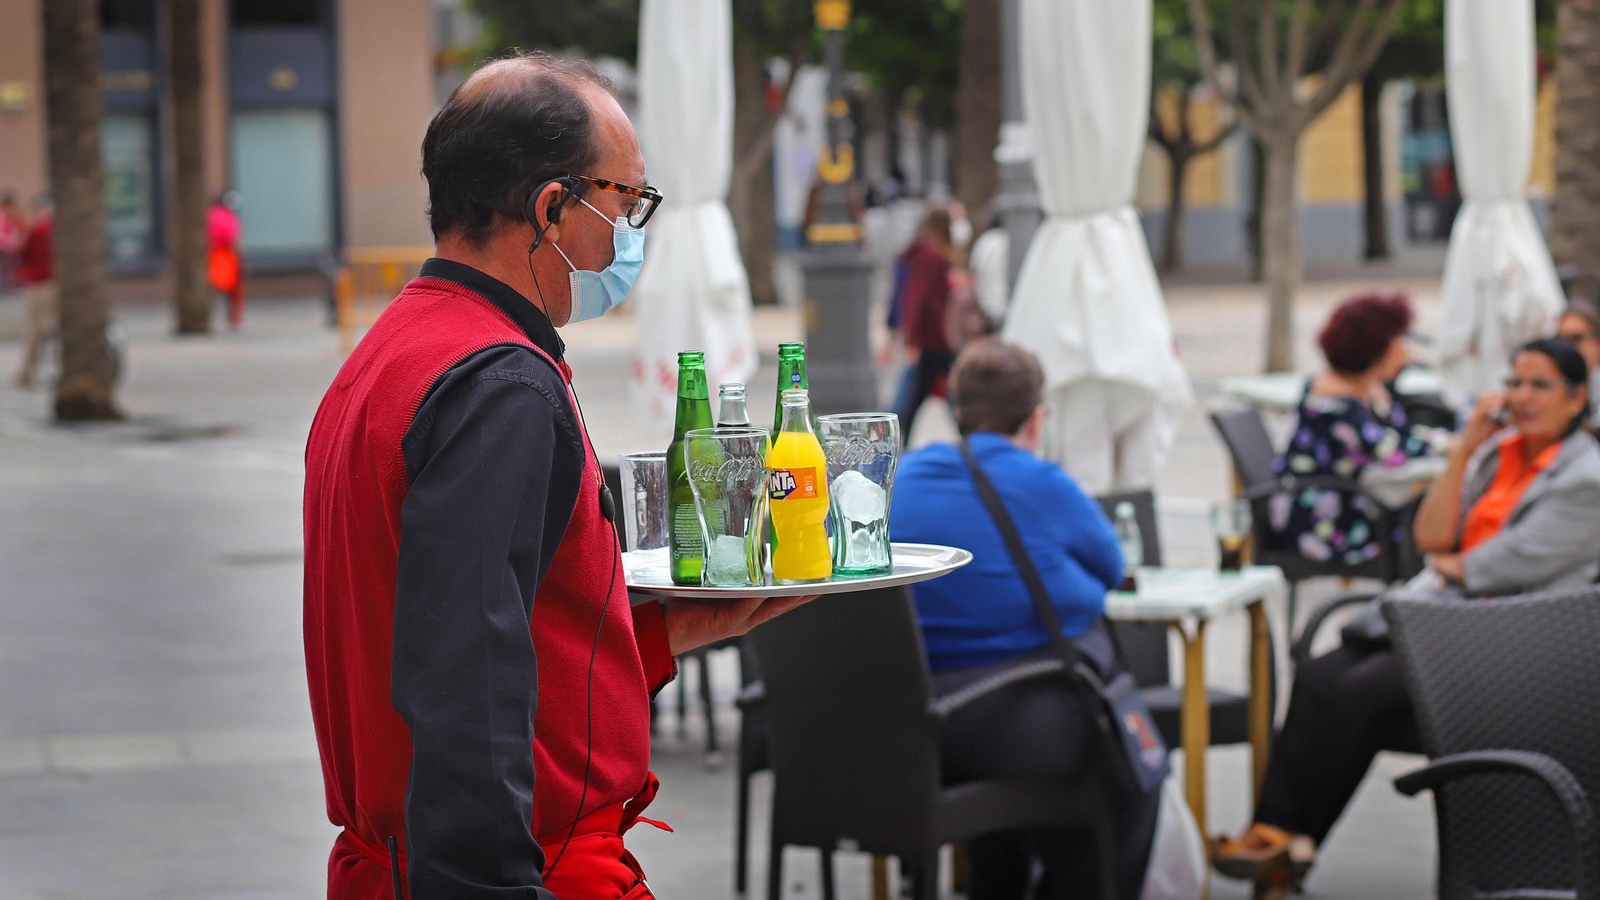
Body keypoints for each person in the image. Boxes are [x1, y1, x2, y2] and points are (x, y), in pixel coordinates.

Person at [302, 52, 812, 900]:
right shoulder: (497, 381)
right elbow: (462, 672)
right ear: (551, 209)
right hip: (518, 868)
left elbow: (460, 623)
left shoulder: (395, 348)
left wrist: (659, 633)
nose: (633, 233)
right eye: (627, 201)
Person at [1215, 338, 1600, 898]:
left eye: (1540, 385)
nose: (1522, 397)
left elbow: (1491, 567)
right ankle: (1278, 838)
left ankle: (1290, 847)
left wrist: (1454, 567)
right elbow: (1431, 538)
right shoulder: (1498, 454)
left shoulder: (1586, 479)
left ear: (1576, 398)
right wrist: (1466, 449)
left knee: (1364, 688)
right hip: (1449, 622)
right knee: (1323, 671)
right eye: (1515, 383)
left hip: (1519, 642)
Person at [890, 338, 1159, 900]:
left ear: (954, 410)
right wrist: (1072, 589)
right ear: (1037, 419)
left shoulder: (902, 477)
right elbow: (1109, 570)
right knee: (1134, 774)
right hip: (1018, 723)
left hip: (908, 728)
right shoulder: (1042, 481)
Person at [1268, 293, 1441, 565]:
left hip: (1354, 500)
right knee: (1437, 515)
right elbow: (1393, 454)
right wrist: (1457, 447)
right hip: (1324, 522)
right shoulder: (1335, 404)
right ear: (1376, 348)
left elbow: (1404, 438)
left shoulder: (1368, 390)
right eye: (1398, 342)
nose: (1405, 351)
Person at [893, 207, 958, 442]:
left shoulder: (926, 253)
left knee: (914, 398)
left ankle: (897, 442)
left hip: (933, 339)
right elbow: (918, 298)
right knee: (911, 399)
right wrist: (912, 340)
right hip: (932, 339)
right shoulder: (931, 255)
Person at [14, 194, 54, 389]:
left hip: (38, 285)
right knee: (53, 329)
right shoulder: (57, 229)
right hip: (55, 283)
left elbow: (23, 254)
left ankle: (27, 373)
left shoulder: (37, 229)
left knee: (34, 330)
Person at [1556, 299, 1600, 423]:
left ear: (1597, 344)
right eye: (1561, 340)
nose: (1568, 346)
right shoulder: (1554, 391)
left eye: (1577, 338)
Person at [207, 192, 245, 328]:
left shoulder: (212, 214)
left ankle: (228, 315)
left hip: (218, 254)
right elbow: (230, 236)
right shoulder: (222, 215)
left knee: (219, 286)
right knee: (229, 287)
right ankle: (233, 316)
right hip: (224, 255)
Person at [0, 191, 24, 294]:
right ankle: (7, 288)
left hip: (8, 245)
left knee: (9, 268)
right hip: (5, 246)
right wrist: (10, 241)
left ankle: (9, 287)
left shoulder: (8, 215)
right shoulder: (3, 215)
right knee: (7, 268)